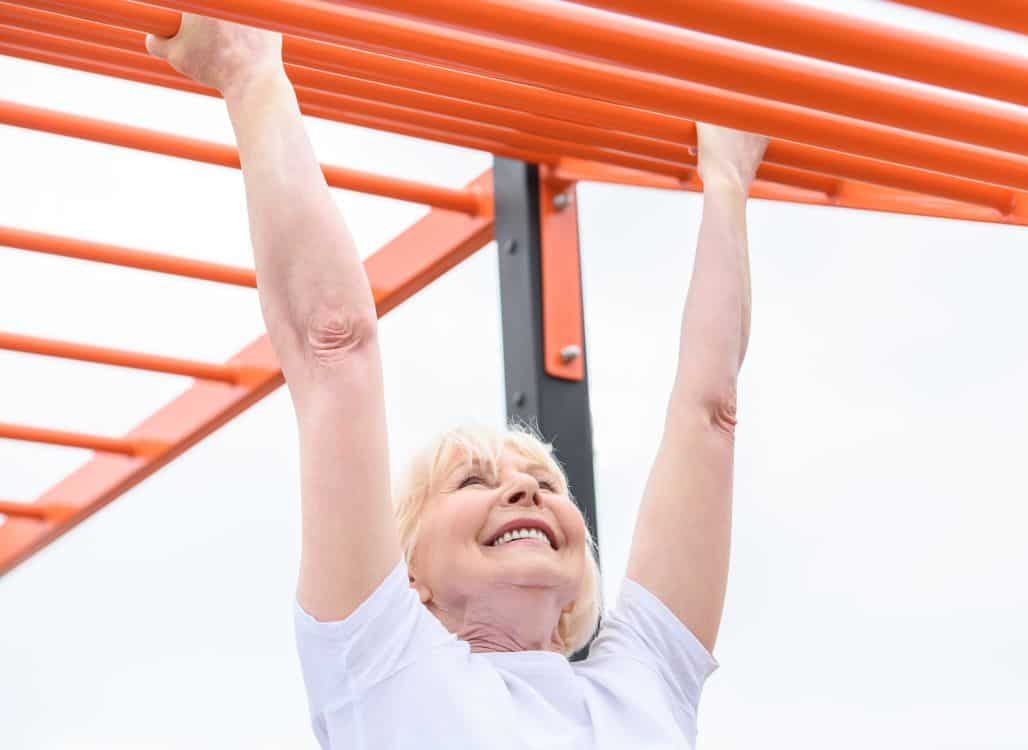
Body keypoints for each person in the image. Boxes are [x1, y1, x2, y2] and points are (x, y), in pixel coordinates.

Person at [146, 14, 768, 749]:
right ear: (410, 580)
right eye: (473, 481)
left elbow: (711, 416)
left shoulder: (643, 685)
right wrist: (251, 75)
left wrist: (726, 178)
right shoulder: (381, 666)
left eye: (546, 483)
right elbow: (334, 347)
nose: (527, 490)